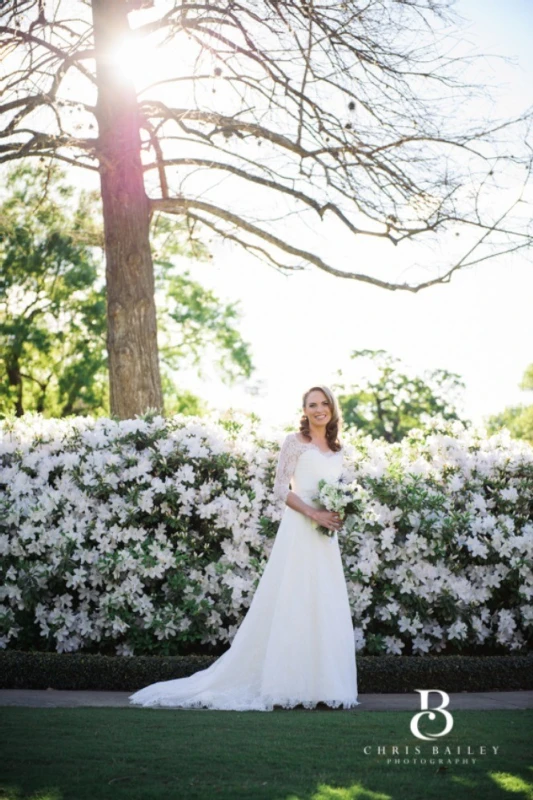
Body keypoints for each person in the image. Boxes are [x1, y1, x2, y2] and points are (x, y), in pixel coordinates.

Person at [129, 385, 360, 711]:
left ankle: (323, 685)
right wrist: (313, 513)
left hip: (325, 540)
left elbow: (334, 490)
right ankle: (286, 685)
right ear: (304, 410)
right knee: (293, 602)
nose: (319, 409)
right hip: (299, 531)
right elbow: (281, 488)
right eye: (312, 404)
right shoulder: (294, 443)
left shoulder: (338, 449)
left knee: (323, 603)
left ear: (332, 408)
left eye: (324, 404)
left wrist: (338, 510)